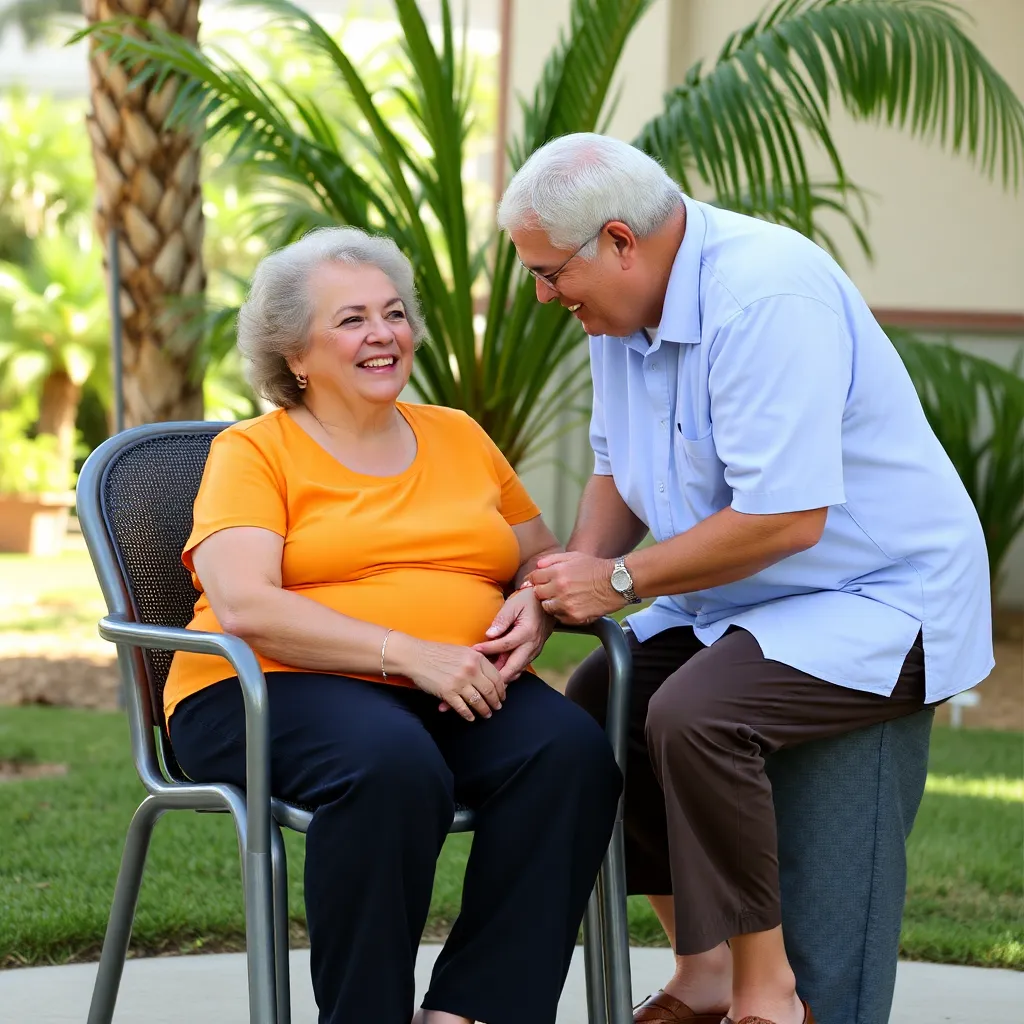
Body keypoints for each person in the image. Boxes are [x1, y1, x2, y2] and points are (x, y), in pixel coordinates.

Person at [493, 133, 993, 1024]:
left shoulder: (764, 295)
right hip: (752, 596)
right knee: (601, 697)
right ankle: (705, 970)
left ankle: (769, 995)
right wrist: (554, 593)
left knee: (696, 714)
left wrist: (617, 578)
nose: (541, 294)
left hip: (880, 596)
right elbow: (616, 469)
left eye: (547, 271)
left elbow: (786, 518)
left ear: (619, 240)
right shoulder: (618, 308)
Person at [164, 226, 622, 1024]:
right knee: (388, 765)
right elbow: (245, 605)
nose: (383, 334)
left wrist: (536, 606)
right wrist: (407, 654)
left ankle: (472, 1013)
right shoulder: (253, 451)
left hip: (447, 683)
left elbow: (537, 560)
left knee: (570, 755)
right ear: (295, 355)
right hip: (269, 688)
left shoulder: (460, 436)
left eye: (394, 313)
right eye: (350, 320)